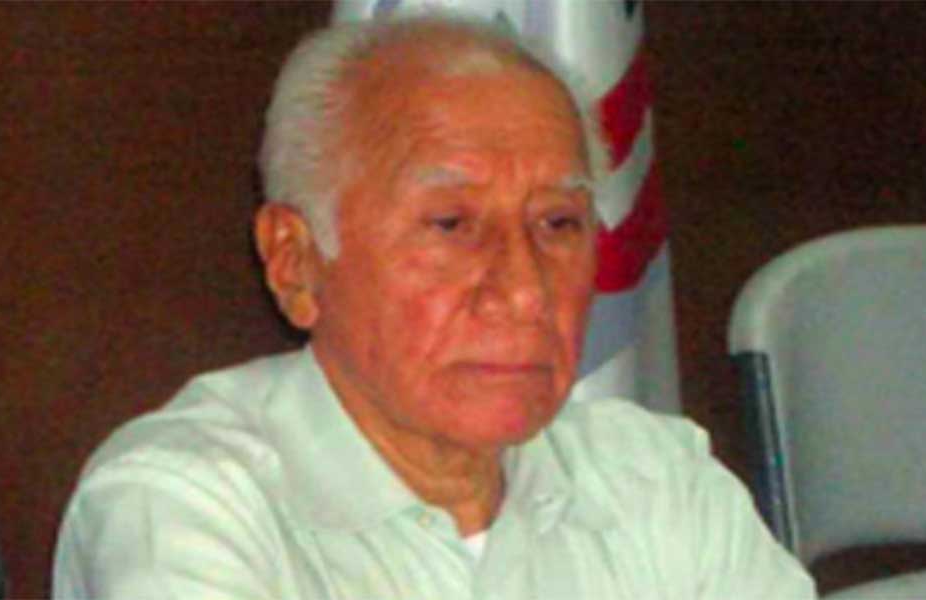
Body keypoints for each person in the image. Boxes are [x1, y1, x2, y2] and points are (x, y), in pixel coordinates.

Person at [52, 14, 815, 599]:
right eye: (451, 225)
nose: (525, 289)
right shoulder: (183, 503)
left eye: (558, 224)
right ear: (295, 261)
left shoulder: (654, 479)